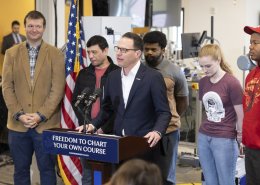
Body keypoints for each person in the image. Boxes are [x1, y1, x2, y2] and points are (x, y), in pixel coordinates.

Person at [76, 32, 171, 158]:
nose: (119, 53)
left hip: (144, 143)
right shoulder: (113, 77)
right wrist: (93, 125)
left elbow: (164, 112)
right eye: (118, 49)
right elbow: (107, 109)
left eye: (124, 50)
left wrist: (157, 131)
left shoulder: (153, 77)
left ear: (137, 53)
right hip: (119, 144)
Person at [1, 10, 65, 185]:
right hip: (17, 125)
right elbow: (7, 87)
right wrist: (19, 114)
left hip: (46, 124)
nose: (34, 29)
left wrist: (40, 115)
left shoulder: (56, 54)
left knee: (47, 171)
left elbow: (57, 89)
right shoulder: (11, 53)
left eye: (38, 26)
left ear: (44, 28)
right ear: (25, 27)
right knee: (20, 171)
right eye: (30, 26)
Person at [142, 31, 189, 185]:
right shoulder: (138, 68)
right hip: (143, 129)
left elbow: (182, 100)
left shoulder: (174, 71)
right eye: (146, 49)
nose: (149, 52)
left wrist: (170, 118)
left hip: (168, 131)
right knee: (144, 173)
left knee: (166, 176)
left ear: (162, 49)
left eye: (153, 49)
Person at [72, 35, 119, 185]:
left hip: (110, 133)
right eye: (89, 52)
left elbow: (119, 107)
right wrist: (88, 125)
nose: (91, 56)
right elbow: (76, 102)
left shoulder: (118, 73)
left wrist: (102, 128)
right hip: (87, 132)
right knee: (87, 175)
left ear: (105, 50)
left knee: (109, 176)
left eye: (95, 52)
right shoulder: (84, 74)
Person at [197, 44, 243, 185]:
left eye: (208, 66)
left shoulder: (232, 82)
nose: (204, 70)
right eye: (202, 66)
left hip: (224, 140)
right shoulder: (203, 82)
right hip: (204, 137)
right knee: (209, 181)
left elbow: (240, 114)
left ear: (218, 60)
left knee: (225, 181)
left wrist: (240, 136)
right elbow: (205, 110)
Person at [242, 25, 260, 185]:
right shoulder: (251, 75)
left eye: (255, 42)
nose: (251, 46)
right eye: (250, 42)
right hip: (250, 147)